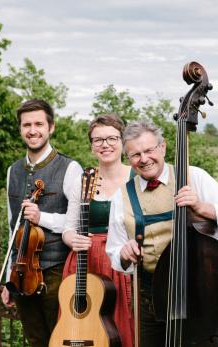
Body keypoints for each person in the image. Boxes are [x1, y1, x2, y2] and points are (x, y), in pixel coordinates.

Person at [105, 119, 218, 346]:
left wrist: (202, 207)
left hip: (205, 293)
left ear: (163, 147)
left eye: (149, 150)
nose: (144, 159)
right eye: (135, 154)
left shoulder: (194, 177)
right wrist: (124, 253)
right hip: (152, 299)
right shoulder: (120, 197)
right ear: (128, 159)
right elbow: (114, 253)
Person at [1, 99, 83, 347]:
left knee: (61, 339)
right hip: (22, 272)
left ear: (51, 127)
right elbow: (11, 228)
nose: (32, 130)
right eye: (27, 124)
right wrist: (9, 277)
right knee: (36, 340)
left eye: (39, 123)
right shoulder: (12, 171)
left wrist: (41, 218)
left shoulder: (70, 168)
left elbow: (77, 224)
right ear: (20, 129)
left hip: (56, 269)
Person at [62, 114, 134, 347]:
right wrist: (74, 239)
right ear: (91, 146)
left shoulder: (136, 176)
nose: (105, 145)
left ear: (123, 142)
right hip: (86, 262)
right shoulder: (82, 181)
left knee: (123, 326)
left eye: (112, 138)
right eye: (98, 140)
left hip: (121, 261)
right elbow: (68, 228)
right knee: (85, 328)